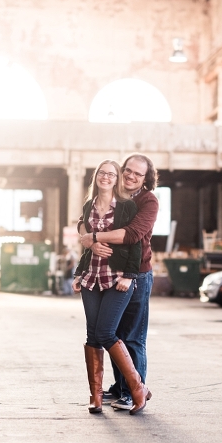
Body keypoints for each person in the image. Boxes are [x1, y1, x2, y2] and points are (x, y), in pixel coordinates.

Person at [79, 154, 159, 411]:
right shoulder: (115, 194)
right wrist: (87, 238)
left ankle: (134, 390)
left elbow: (133, 236)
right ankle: (119, 387)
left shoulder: (147, 201)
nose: (132, 176)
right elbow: (84, 220)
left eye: (138, 174)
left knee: (131, 336)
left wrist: (92, 237)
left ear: (146, 179)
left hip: (137, 274)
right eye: (129, 171)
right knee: (112, 332)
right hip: (103, 274)